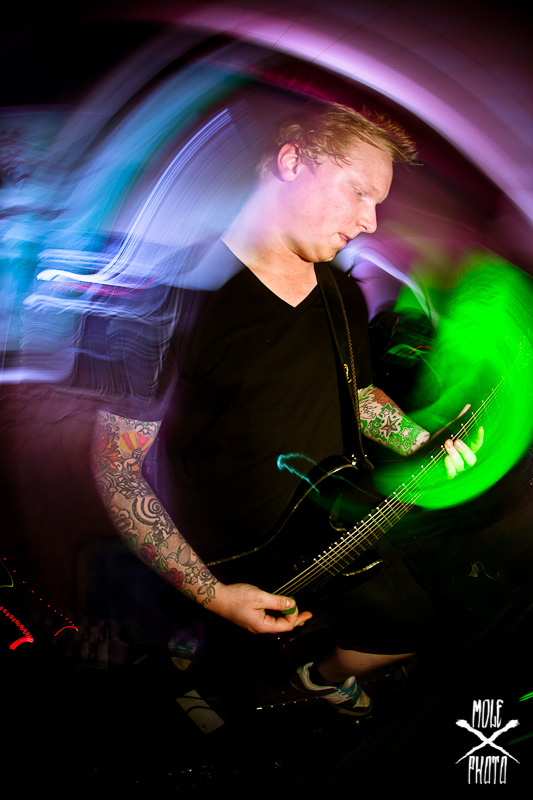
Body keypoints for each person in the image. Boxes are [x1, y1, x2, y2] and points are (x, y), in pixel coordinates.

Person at [91, 102, 481, 716]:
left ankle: (314, 680)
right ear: (293, 161)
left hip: (334, 526)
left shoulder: (340, 291)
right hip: (230, 557)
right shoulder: (173, 302)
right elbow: (117, 468)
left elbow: (358, 395)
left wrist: (416, 440)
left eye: (377, 202)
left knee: (415, 626)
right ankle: (194, 660)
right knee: (215, 664)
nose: (371, 221)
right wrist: (213, 595)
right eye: (359, 192)